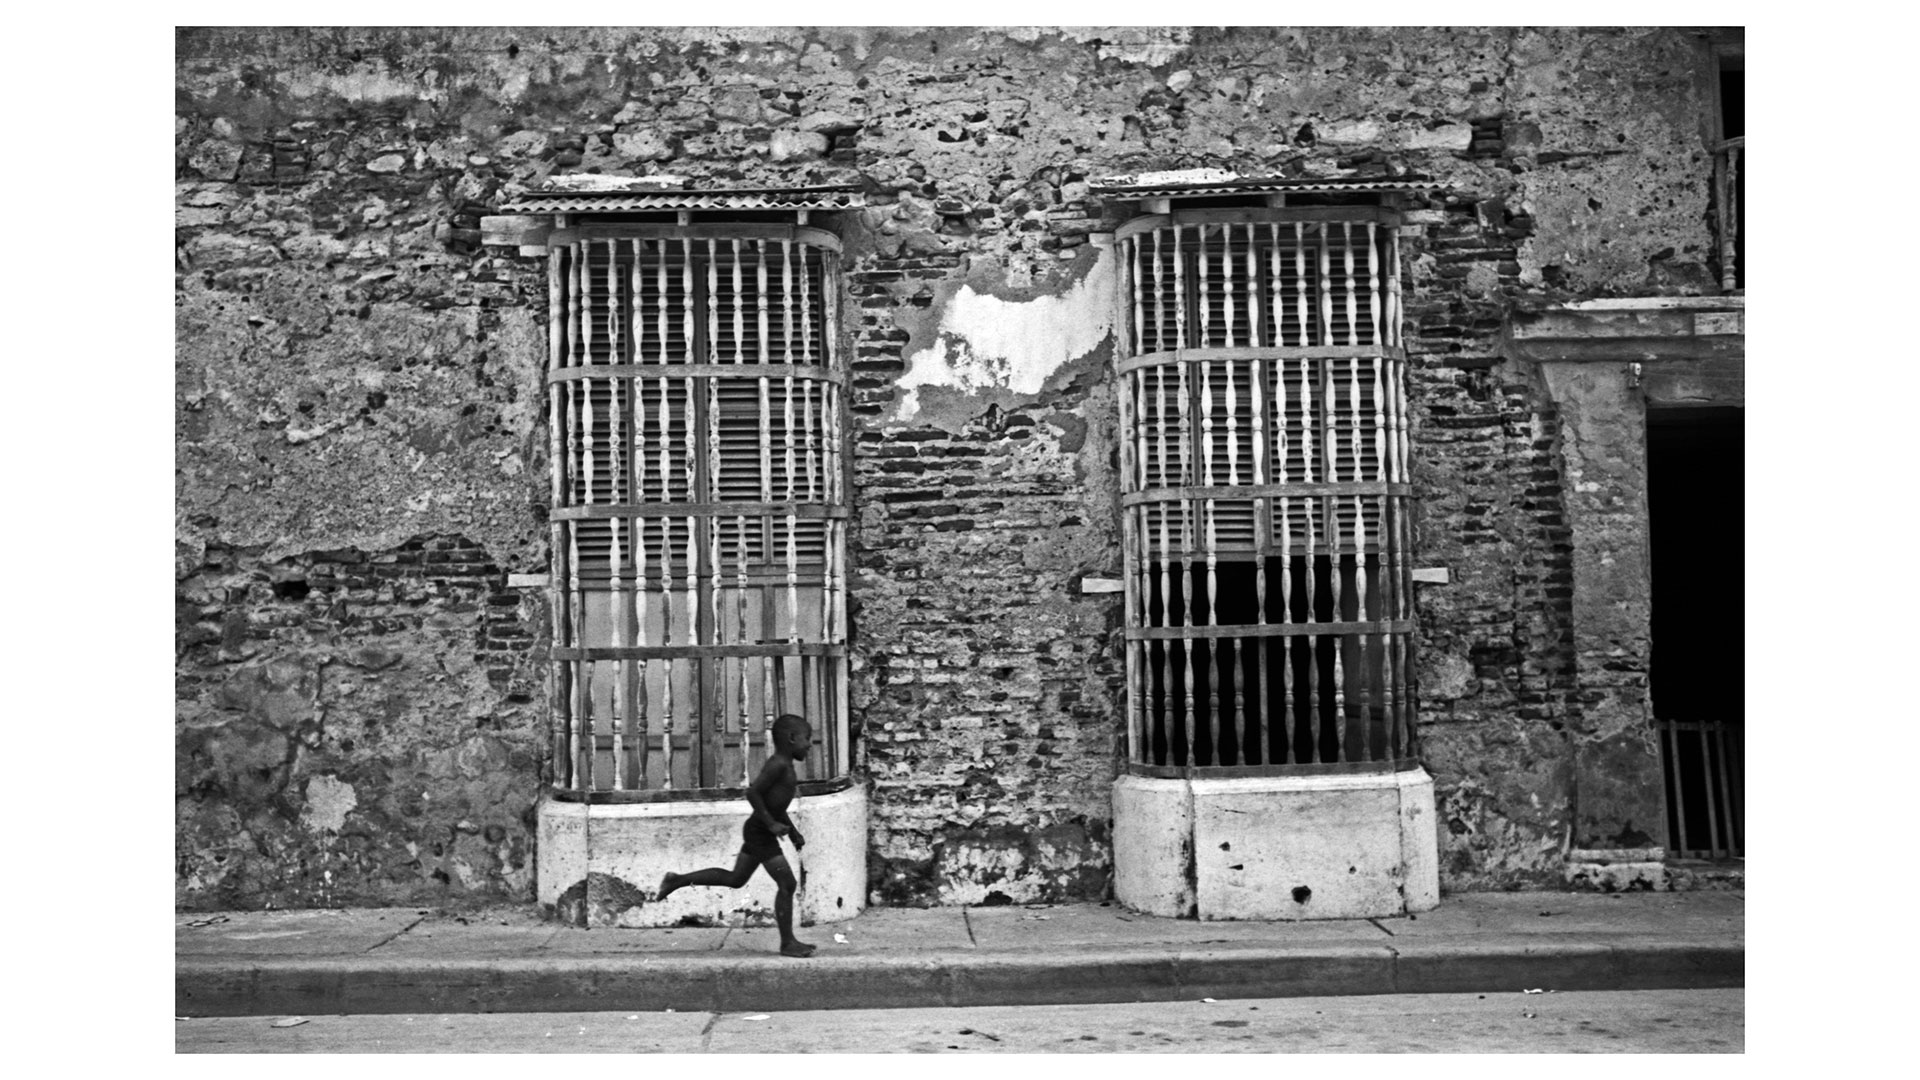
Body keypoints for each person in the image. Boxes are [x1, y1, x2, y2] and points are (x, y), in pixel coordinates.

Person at [657, 713, 816, 957]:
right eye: (807, 738)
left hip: (759, 830)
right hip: (760, 833)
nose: (809, 744)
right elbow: (753, 794)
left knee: (735, 879)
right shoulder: (778, 765)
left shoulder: (786, 766)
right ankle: (787, 943)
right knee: (787, 884)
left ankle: (676, 880)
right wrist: (771, 825)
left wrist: (792, 832)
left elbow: (777, 805)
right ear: (792, 738)